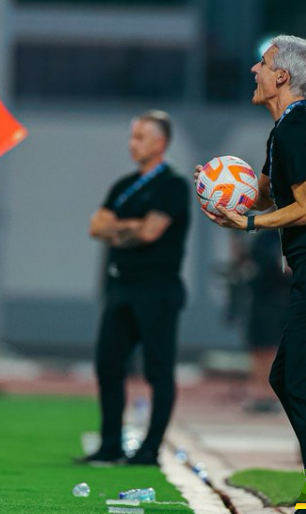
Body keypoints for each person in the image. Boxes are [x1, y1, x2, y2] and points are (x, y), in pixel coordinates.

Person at [196, 35, 306, 514]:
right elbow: (266, 191)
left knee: (305, 383)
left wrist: (248, 225)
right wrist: (215, 184)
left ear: (283, 77)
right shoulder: (285, 130)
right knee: (286, 377)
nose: (254, 69)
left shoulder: (295, 133)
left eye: (264, 64)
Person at [84, 110, 190, 466]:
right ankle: (110, 444)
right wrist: (131, 227)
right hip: (121, 287)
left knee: (158, 369)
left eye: (141, 137)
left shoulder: (172, 184)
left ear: (160, 142)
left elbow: (150, 232)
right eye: (132, 136)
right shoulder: (123, 185)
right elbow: (96, 227)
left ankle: (150, 448)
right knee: (108, 364)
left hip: (157, 289)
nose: (134, 143)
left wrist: (120, 227)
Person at [244, 230, 291, 413]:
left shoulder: (294, 235)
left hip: (281, 300)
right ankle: (258, 393)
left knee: (273, 349)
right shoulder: (264, 237)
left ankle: (272, 395)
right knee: (258, 348)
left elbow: (288, 269)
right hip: (261, 298)